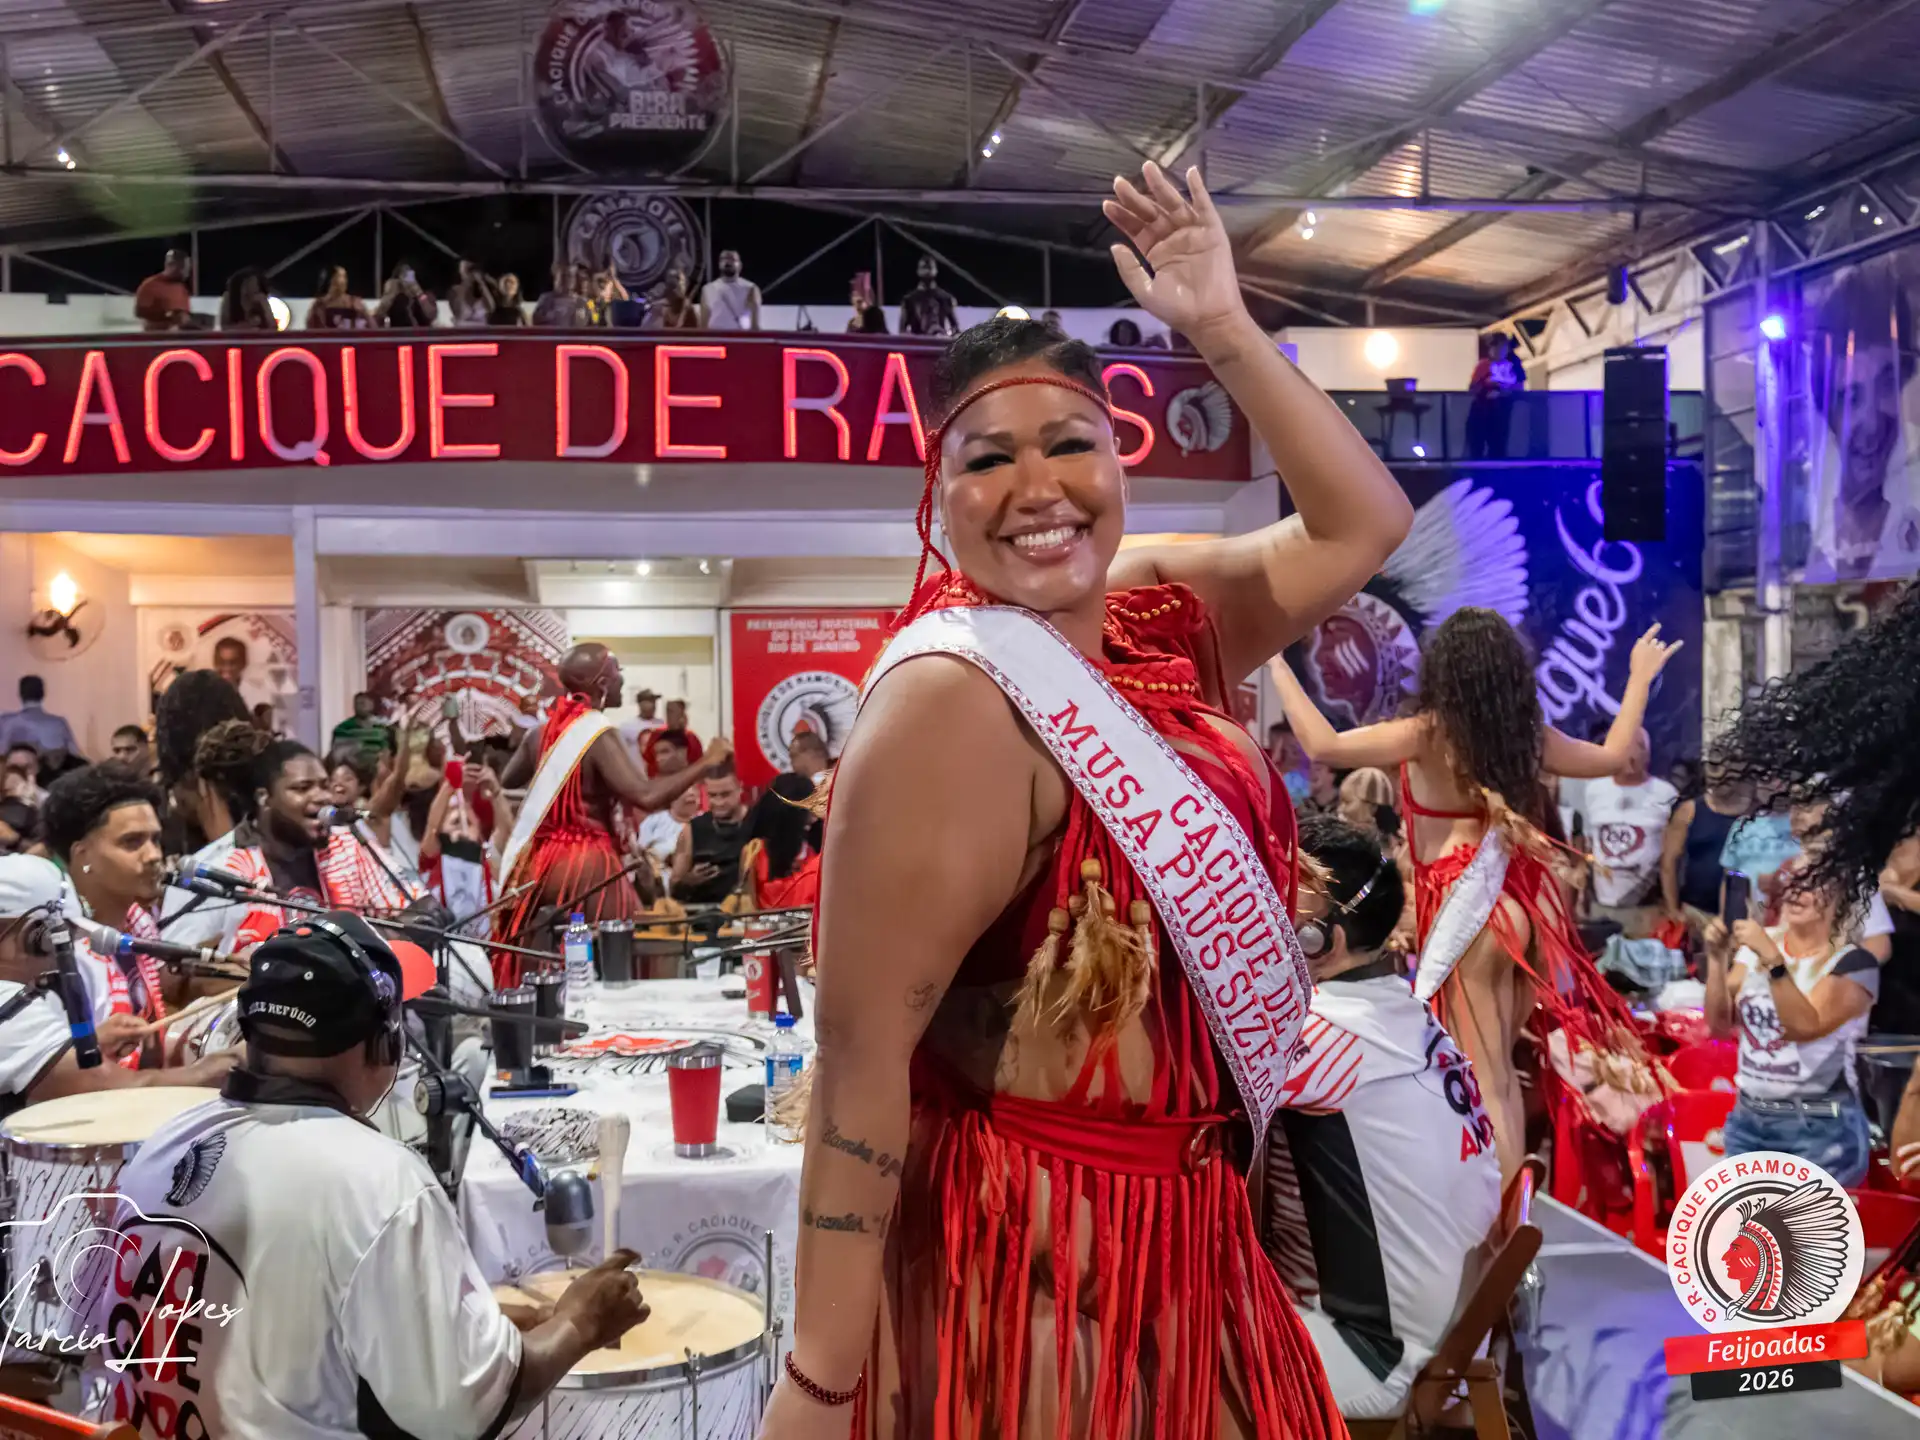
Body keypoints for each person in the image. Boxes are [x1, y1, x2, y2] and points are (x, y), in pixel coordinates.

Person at [761, 162, 1411, 1440]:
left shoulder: (1154, 613)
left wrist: (1222, 326)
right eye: (988, 459)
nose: (1039, 488)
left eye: (1071, 444)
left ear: (1121, 456)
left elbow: (1362, 526)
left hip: (1205, 1234)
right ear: (936, 492)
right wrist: (821, 1380)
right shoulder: (948, 698)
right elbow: (859, 1060)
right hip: (1037, 1261)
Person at [85, 911, 650, 1437]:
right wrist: (581, 1322)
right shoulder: (379, 1183)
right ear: (385, 1040)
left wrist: (484, 1321)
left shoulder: (161, 1147)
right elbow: (462, 1412)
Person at [1271, 609, 1681, 1185]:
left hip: (1469, 910)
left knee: (1481, 1077)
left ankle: (1502, 1224)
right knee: (1500, 1075)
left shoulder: (1427, 732)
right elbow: (1612, 756)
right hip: (1517, 906)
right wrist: (1637, 677)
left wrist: (1275, 660)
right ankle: (1511, 1219)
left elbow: (1323, 744)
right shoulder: (1527, 739)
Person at [1265, 817, 1500, 1421]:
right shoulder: (1407, 1013)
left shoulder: (1321, 1036)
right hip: (1447, 1328)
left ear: (1322, 940)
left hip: (1372, 1353)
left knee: (1161, 1346)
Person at [495, 645, 731, 979]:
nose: (622, 680)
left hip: (540, 860)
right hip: (587, 862)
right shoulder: (599, 734)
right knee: (614, 961)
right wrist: (707, 761)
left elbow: (508, 779)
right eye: (618, 672)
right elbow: (646, 795)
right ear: (602, 684)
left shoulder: (540, 734)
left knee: (544, 961)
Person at [0, 855, 233, 1113]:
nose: (72, 953)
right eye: (67, 939)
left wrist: (88, 1043)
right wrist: (226, 1064)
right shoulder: (10, 1009)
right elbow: (113, 1089)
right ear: (34, 938)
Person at [1703, 882, 1877, 1187]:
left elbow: (1803, 1028)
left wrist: (1773, 961)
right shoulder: (1759, 945)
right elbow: (1719, 1025)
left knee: (1801, 1221)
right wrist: (1716, 960)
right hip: (1748, 1119)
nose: (1796, 892)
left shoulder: (1855, 963)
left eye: (1811, 885)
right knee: (1745, 1218)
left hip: (1819, 1130)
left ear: (1840, 895)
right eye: (1794, 883)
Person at [207, 734, 418, 954]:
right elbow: (185, 964)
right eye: (303, 788)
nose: (321, 797)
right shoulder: (226, 866)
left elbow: (412, 914)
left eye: (324, 786)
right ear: (264, 798)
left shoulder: (345, 844)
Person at [42, 763, 186, 1060]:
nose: (154, 855)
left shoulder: (137, 920)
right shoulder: (54, 949)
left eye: (155, 839)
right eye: (132, 842)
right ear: (82, 856)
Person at [1581, 727, 1678, 938]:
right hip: (1600, 906)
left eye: (1639, 747)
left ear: (1648, 754)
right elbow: (1586, 844)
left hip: (1646, 907)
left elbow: (1672, 856)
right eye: (1625, 747)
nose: (1631, 753)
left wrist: (1671, 905)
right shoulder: (1593, 789)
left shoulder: (1666, 793)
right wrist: (1582, 896)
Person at [1660, 769, 1741, 938]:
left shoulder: (1752, 813)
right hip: (1696, 911)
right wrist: (1673, 909)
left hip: (1739, 914)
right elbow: (1669, 861)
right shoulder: (1690, 809)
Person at [671, 761, 751, 905]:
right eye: (713, 795)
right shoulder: (692, 830)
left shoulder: (758, 822)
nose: (719, 802)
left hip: (747, 911)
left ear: (740, 788)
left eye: (725, 794)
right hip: (703, 912)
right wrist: (690, 881)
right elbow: (673, 887)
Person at [1464, 331, 1526, 461]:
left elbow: (1519, 387)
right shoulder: (1484, 365)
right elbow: (1473, 388)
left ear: (1506, 348)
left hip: (1502, 413)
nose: (1496, 350)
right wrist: (1486, 386)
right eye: (1493, 347)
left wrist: (1502, 389)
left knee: (1498, 447)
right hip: (1481, 411)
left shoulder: (1513, 365)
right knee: (1476, 445)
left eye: (1500, 346)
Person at [0, 676, 80, 762]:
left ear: (20, 694)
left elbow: (2, 753)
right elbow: (74, 754)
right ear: (43, 694)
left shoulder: (6, 722)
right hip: (53, 770)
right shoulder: (59, 724)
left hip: (19, 769)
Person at [638, 787, 700, 880]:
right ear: (671, 799)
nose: (691, 794)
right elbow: (642, 851)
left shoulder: (703, 823)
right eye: (684, 792)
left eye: (694, 793)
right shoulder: (654, 821)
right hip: (656, 877)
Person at [133, 247, 194, 331]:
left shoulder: (181, 288)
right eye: (184, 268)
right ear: (171, 265)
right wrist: (168, 318)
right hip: (158, 336)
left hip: (179, 336)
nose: (187, 273)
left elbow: (183, 315)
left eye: (188, 269)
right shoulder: (150, 285)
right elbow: (141, 316)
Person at [897, 256, 958, 338]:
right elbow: (902, 331)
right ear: (918, 271)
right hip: (918, 343)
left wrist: (947, 336)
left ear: (935, 270)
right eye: (924, 267)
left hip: (940, 341)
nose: (927, 271)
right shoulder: (909, 300)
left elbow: (955, 328)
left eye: (929, 267)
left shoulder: (946, 298)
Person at [701, 250, 761, 330]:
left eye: (732, 259)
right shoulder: (707, 289)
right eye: (723, 259)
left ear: (740, 265)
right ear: (719, 264)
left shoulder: (750, 288)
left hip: (738, 335)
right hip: (715, 335)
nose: (727, 262)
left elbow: (755, 325)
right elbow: (703, 324)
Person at [330, 691, 394, 763]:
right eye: (357, 704)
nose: (360, 706)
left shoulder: (382, 729)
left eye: (363, 703)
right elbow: (336, 753)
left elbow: (387, 751)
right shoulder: (343, 728)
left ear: (372, 705)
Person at [641, 700, 703, 775]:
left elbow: (697, 764)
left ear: (681, 714)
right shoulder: (657, 734)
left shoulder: (691, 738)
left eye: (672, 711)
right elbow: (648, 758)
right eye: (667, 711)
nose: (669, 715)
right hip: (658, 778)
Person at [373, 262, 438, 328]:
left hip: (418, 330)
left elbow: (431, 316)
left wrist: (419, 294)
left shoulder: (424, 295)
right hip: (402, 330)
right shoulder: (397, 297)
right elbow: (380, 315)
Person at [305, 264, 369, 330]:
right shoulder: (319, 305)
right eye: (340, 276)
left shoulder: (355, 302)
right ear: (331, 279)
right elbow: (312, 329)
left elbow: (370, 326)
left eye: (345, 277)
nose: (344, 281)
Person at [219, 267, 277, 331]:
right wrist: (244, 327)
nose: (253, 287)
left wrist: (263, 304)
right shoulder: (229, 297)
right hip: (237, 335)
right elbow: (224, 327)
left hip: (259, 335)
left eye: (255, 284)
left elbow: (273, 326)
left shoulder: (261, 298)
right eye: (248, 283)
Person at [533, 261, 586, 328]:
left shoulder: (583, 301)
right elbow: (535, 320)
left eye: (570, 276)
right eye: (563, 276)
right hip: (551, 333)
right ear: (556, 278)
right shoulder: (545, 299)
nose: (566, 280)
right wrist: (554, 315)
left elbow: (593, 320)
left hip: (573, 334)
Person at [449, 258, 498, 326]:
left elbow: (491, 308)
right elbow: (458, 313)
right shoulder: (455, 290)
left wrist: (481, 283)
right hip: (462, 329)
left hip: (481, 329)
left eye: (469, 270)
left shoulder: (482, 289)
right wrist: (465, 284)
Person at [617, 687, 666, 753]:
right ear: (640, 704)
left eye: (654, 701)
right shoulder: (627, 726)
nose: (653, 705)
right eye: (649, 701)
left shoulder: (661, 724)